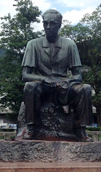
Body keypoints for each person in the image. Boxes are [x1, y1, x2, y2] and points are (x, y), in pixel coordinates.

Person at [21, 9, 93, 141]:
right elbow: (25, 75)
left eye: (52, 23)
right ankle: (31, 128)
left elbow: (78, 76)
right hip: (42, 87)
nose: (48, 27)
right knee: (29, 86)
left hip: (63, 87)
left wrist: (67, 82)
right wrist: (45, 79)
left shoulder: (70, 45)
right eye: (45, 23)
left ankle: (81, 130)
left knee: (85, 88)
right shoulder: (33, 44)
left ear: (59, 25)